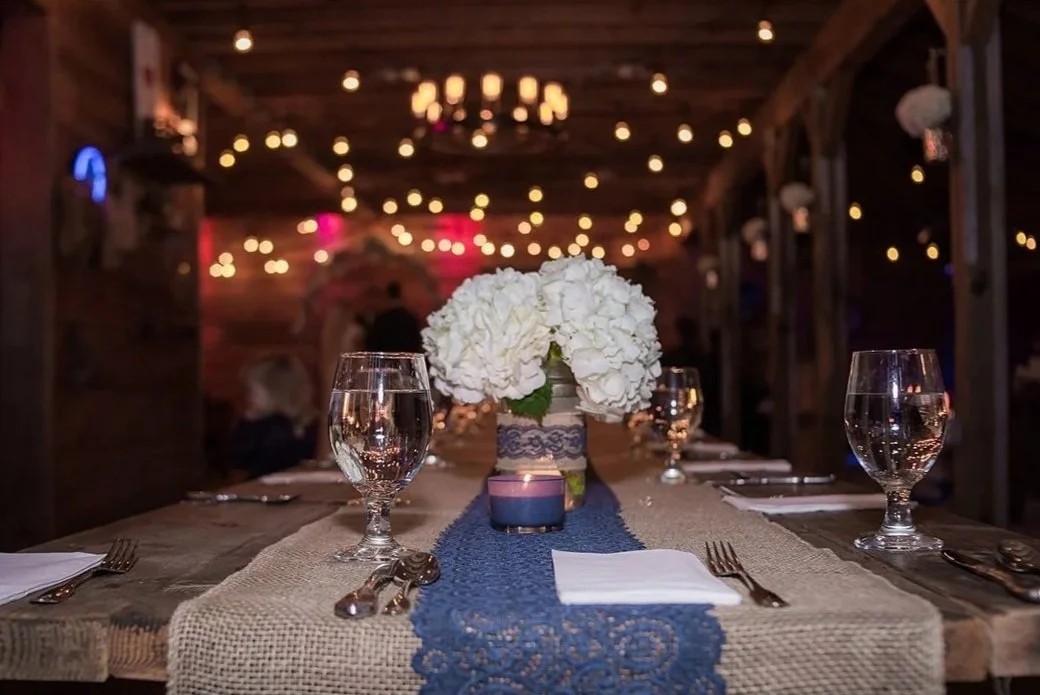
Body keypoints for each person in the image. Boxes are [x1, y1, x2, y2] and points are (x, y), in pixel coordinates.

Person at [231, 354, 317, 480]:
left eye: (252, 390)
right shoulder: (256, 426)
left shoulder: (271, 430)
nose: (248, 397)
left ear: (275, 390)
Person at [366, 281, 423, 353]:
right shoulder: (410, 318)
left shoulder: (382, 319)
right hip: (406, 360)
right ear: (400, 294)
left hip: (385, 361)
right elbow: (416, 342)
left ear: (387, 295)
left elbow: (373, 344)